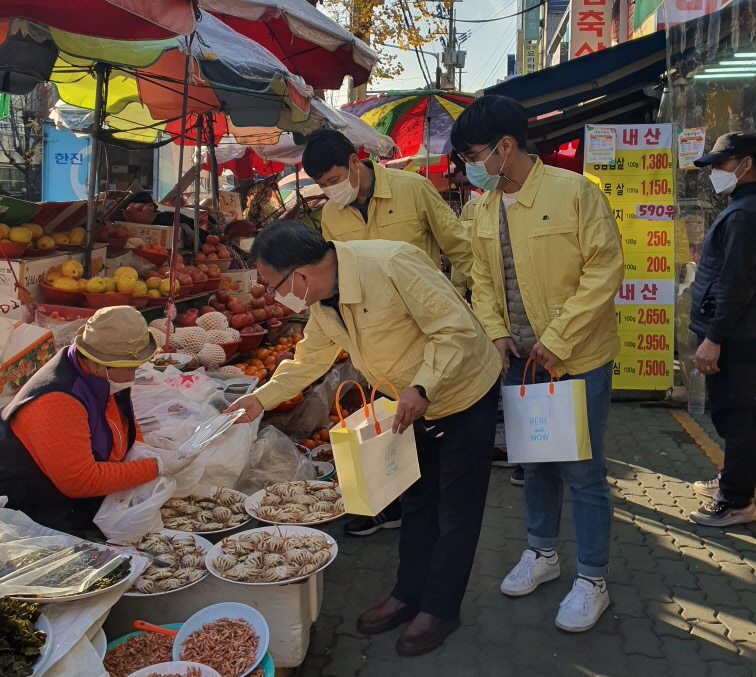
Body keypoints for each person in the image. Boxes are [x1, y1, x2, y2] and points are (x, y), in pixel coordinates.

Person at [225, 220, 501, 656]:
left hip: (461, 394)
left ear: (299, 273)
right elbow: (310, 357)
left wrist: (423, 386)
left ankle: (441, 608)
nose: (270, 293)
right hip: (406, 404)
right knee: (415, 498)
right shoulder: (323, 301)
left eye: (270, 283)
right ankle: (408, 594)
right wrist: (260, 400)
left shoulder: (392, 263)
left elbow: (455, 330)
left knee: (457, 510)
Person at [451, 95, 624, 633]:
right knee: (535, 464)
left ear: (505, 146)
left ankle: (592, 578)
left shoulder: (574, 193)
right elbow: (482, 279)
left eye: (474, 154)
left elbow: (604, 270)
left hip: (576, 359)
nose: (468, 168)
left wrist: (558, 338)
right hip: (521, 364)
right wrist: (498, 334)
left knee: (583, 471)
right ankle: (542, 554)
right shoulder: (480, 206)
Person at [302, 128, 476, 538]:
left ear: (353, 161)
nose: (330, 191)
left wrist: (471, 306)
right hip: (375, 341)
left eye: (333, 180)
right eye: (322, 186)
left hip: (429, 335)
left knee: (435, 439)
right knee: (392, 433)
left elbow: (461, 248)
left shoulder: (412, 189)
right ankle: (393, 503)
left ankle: (434, 517)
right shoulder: (331, 215)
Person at [0, 306, 194, 539]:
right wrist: (155, 466)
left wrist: (141, 450)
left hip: (78, 497)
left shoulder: (103, 375)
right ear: (100, 362)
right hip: (37, 509)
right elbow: (80, 481)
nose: (133, 376)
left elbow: (124, 422)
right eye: (129, 368)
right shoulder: (58, 400)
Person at [688, 132, 756, 526]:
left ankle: (736, 500)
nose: (715, 171)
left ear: (746, 163)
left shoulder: (746, 215)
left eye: (721, 163)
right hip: (738, 334)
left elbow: (736, 284)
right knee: (737, 416)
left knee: (736, 417)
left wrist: (713, 338)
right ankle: (735, 479)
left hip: (736, 338)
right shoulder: (741, 207)